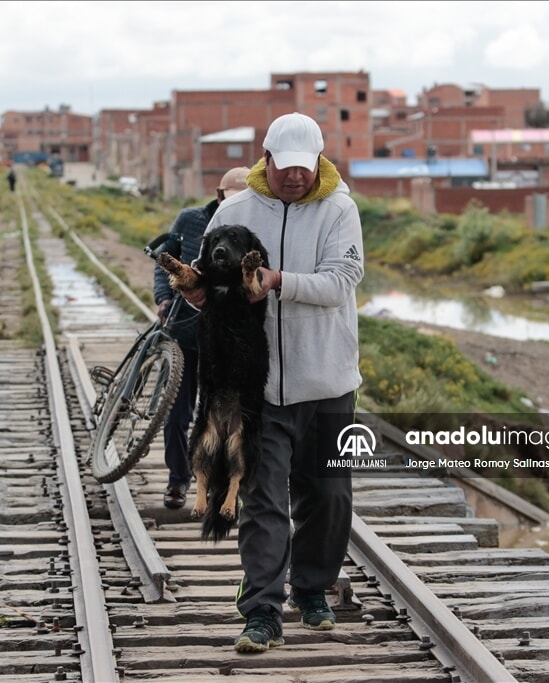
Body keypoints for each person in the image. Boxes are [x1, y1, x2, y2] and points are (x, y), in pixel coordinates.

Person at [186, 112, 364, 652]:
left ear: (319, 162)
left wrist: (279, 281)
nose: (295, 176)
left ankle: (311, 590)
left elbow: (342, 281)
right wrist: (196, 294)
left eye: (304, 167)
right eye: (285, 167)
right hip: (257, 389)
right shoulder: (234, 211)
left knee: (328, 496)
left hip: (328, 381)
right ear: (266, 159)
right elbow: (209, 283)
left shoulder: (340, 209)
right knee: (262, 498)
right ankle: (262, 610)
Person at [154, 166, 251, 509]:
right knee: (176, 415)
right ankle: (178, 480)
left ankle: (215, 485)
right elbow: (164, 260)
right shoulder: (190, 220)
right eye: (231, 198)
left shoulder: (251, 231)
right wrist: (164, 297)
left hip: (224, 344)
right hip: (185, 333)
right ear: (219, 195)